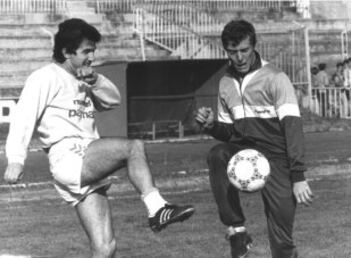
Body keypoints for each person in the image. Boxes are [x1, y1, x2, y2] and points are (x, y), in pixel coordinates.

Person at [4, 18, 194, 258]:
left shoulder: (83, 79)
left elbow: (113, 101)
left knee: (105, 248)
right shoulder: (44, 77)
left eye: (93, 51)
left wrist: (96, 81)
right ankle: (157, 208)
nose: (91, 57)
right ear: (66, 51)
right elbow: (23, 118)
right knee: (133, 147)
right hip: (69, 156)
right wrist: (16, 159)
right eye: (86, 51)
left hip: (86, 160)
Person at [195, 20, 313, 258]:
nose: (238, 57)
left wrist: (298, 176)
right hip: (244, 151)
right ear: (226, 50)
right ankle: (237, 231)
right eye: (232, 51)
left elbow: (292, 128)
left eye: (244, 50)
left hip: (277, 157)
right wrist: (211, 126)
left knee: (281, 239)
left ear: (253, 46)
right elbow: (228, 132)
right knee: (217, 154)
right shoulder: (225, 82)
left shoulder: (275, 78)